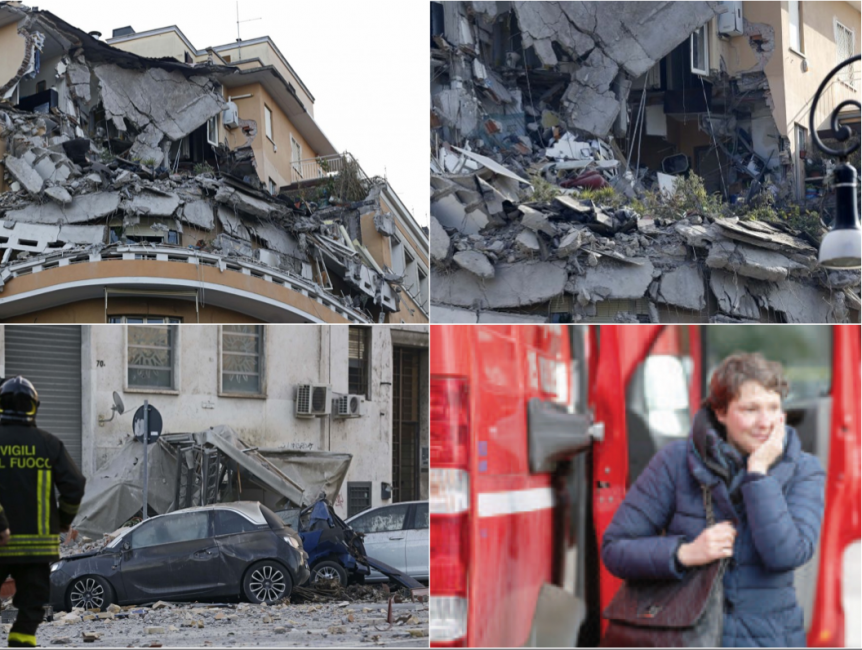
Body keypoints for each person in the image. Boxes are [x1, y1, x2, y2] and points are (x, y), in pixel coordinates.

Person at [602, 353, 825, 647]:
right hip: (685, 636)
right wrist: (684, 553)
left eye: (773, 407)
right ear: (720, 412)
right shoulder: (674, 461)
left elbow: (786, 555)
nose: (766, 422)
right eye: (750, 409)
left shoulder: (805, 469)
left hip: (769, 640)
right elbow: (615, 549)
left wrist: (758, 474)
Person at [0, 377, 86, 648]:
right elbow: (74, 485)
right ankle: (21, 644)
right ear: (34, 407)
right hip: (36, 549)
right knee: (31, 608)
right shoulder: (49, 443)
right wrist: (63, 521)